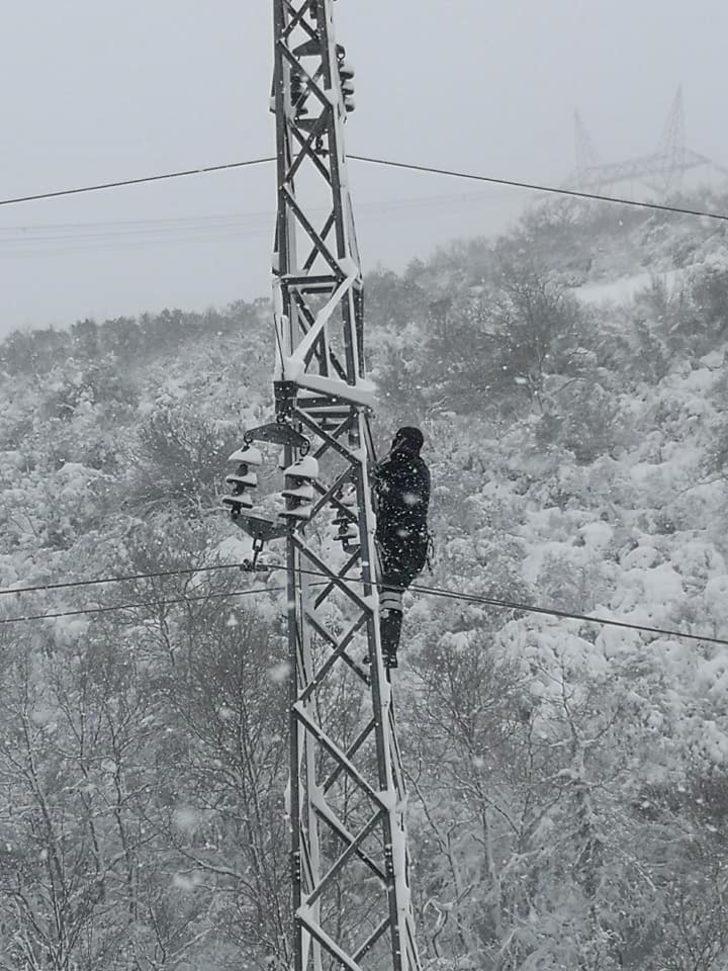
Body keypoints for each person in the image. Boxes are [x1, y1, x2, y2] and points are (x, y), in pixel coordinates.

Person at [372, 426, 431, 669]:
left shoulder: (409, 467)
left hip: (403, 543)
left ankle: (386, 649)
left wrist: (380, 485)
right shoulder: (411, 467)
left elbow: (404, 500)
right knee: (390, 593)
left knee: (390, 592)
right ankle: (385, 648)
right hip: (406, 544)